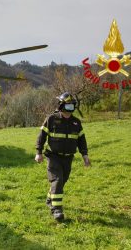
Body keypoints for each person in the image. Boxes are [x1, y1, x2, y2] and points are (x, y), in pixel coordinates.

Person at [35, 92, 91, 221]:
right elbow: (41, 136)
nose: (70, 108)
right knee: (57, 180)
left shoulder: (76, 122)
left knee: (62, 182)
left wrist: (85, 155)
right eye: (68, 105)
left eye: (72, 105)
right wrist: (38, 152)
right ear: (61, 105)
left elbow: (81, 139)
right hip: (53, 156)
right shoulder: (51, 119)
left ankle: (50, 199)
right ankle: (57, 210)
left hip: (68, 158)